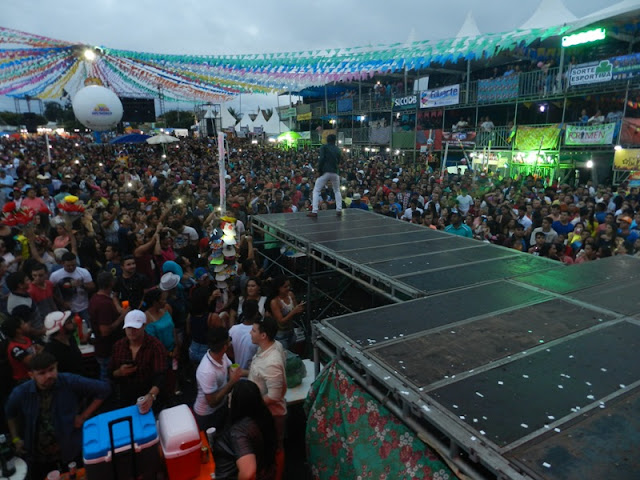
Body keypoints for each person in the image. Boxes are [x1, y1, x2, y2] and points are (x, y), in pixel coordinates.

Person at [5, 352, 110, 480]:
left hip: (69, 449)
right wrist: (16, 438)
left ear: (56, 366)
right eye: (42, 373)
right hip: (38, 454)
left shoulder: (69, 381)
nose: (49, 375)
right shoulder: (22, 392)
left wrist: (83, 416)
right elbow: (10, 413)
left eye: (51, 369)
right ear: (31, 375)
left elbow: (104, 389)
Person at [248, 315, 287, 480]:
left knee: (275, 448)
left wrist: (251, 405)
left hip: (272, 415)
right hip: (264, 412)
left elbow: (274, 396)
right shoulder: (269, 347)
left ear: (263, 335)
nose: (250, 332)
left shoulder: (272, 363)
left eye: (253, 330)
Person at [213, 380, 277, 480]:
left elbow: (248, 473)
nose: (229, 396)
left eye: (232, 394)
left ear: (238, 401)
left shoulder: (239, 432)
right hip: (265, 471)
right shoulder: (264, 417)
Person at [109, 309, 166, 410]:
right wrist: (120, 372)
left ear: (144, 326)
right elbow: (110, 372)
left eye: (135, 328)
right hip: (125, 398)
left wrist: (151, 395)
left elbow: (161, 376)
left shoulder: (156, 346)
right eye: (129, 328)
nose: (131, 331)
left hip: (149, 398)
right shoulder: (118, 346)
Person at [193, 327, 243, 430]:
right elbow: (212, 402)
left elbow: (233, 368)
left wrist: (253, 371)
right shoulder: (207, 371)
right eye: (229, 340)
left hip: (221, 406)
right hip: (207, 415)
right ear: (225, 347)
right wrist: (232, 382)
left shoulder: (222, 356)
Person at [88, 271, 127, 381]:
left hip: (102, 348)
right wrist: (122, 317)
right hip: (107, 350)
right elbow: (105, 331)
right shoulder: (104, 304)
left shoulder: (95, 298)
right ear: (111, 283)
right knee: (107, 377)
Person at [49, 251, 95, 321]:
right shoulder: (55, 276)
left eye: (73, 265)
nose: (71, 267)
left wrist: (81, 284)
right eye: (68, 265)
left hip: (83, 307)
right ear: (62, 263)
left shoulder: (84, 272)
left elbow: (92, 287)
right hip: (66, 309)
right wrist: (62, 303)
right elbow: (51, 292)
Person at [308, 134, 343, 217]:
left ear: (327, 140)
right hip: (335, 172)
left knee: (316, 190)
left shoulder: (324, 147)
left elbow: (322, 159)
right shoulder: (338, 149)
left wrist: (319, 170)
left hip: (325, 171)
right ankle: (339, 209)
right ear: (335, 140)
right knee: (337, 190)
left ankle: (314, 211)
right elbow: (339, 161)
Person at [267, 276, 305, 351]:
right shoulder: (275, 302)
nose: (288, 288)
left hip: (291, 329)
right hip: (280, 333)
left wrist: (300, 308)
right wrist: (294, 311)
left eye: (289, 286)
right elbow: (281, 321)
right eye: (285, 287)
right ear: (278, 288)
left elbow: (296, 309)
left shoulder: (290, 294)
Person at [43, 311, 82, 375]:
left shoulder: (71, 339)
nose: (73, 323)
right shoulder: (50, 351)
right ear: (61, 329)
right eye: (69, 322)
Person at [230, 299, 260, 370]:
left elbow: (229, 351)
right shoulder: (259, 332)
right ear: (256, 314)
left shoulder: (233, 330)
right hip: (251, 372)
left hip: (236, 371)